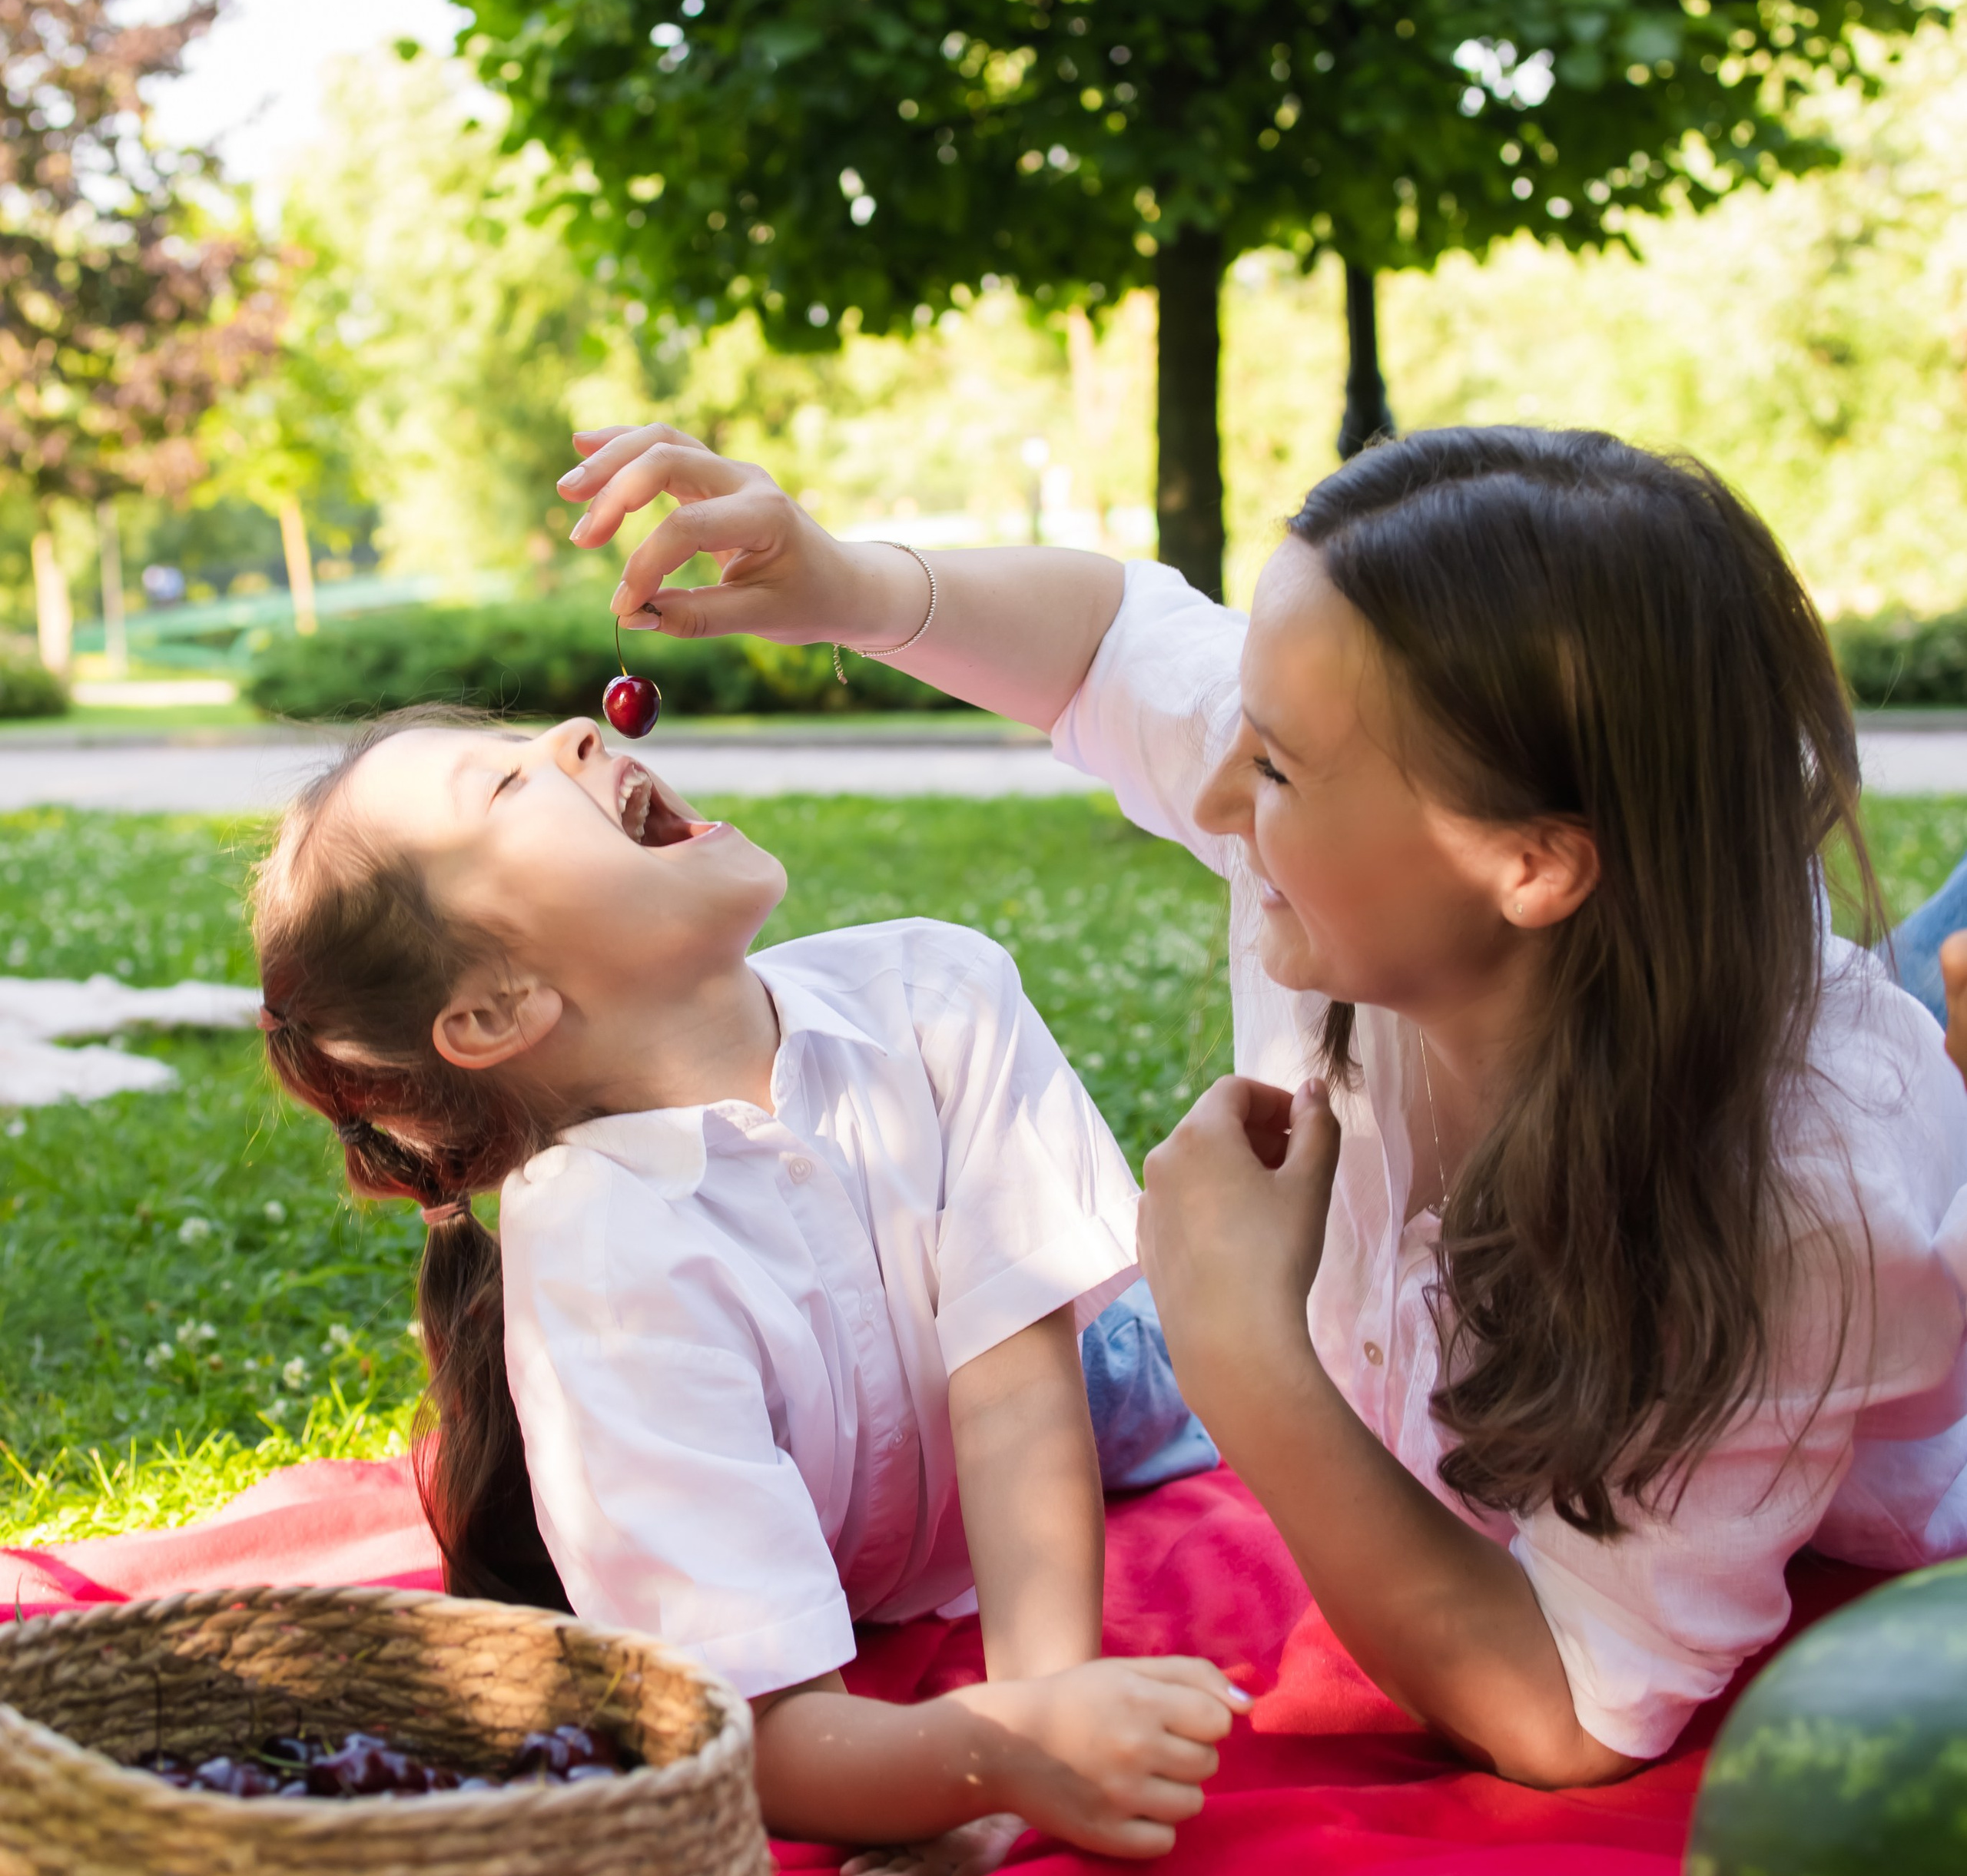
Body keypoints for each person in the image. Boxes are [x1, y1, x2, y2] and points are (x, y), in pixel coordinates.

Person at [557, 420, 1967, 1790]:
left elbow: (1569, 1712)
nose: (1219, 791)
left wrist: (1242, 1351)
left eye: (1279, 766)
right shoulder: (1373, 833)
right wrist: (843, 580)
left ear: (1529, 864)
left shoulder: (1793, 1210)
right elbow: (1107, 641)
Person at [250, 711, 1242, 1858]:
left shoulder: (935, 995)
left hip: (1090, 1370)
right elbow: (752, 1740)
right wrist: (995, 1755)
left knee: (1259, 1335)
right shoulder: (599, 1250)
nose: (575, 729)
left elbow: (1022, 1398)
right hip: (836, 1479)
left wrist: (1042, 1713)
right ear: (496, 1009)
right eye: (503, 786)